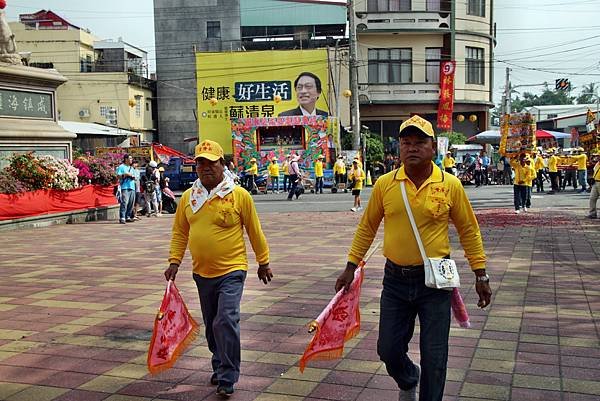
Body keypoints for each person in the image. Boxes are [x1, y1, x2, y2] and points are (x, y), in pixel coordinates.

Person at [335, 115, 491, 401]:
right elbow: (367, 226)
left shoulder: (450, 184)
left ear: (433, 148)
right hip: (395, 281)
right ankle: (408, 378)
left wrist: (480, 273)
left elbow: (469, 229)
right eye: (406, 143)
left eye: (420, 142)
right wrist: (350, 266)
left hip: (435, 283)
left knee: (435, 356)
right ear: (399, 148)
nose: (412, 148)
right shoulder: (385, 184)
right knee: (389, 349)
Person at [164, 139, 273, 398]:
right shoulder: (190, 198)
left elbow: (254, 230)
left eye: (211, 163)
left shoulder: (239, 195)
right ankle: (219, 362)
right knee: (213, 324)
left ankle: (228, 374)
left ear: (222, 164)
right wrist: (174, 262)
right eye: (200, 163)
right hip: (202, 273)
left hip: (232, 270)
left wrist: (263, 261)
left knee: (226, 319)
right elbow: (180, 233)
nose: (205, 168)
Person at [115, 154, 136, 224]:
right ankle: (122, 217)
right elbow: (118, 176)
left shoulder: (132, 168)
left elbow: (134, 177)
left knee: (131, 203)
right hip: (125, 187)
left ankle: (128, 216)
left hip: (132, 187)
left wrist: (132, 176)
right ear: (126, 159)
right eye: (130, 158)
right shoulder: (121, 167)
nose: (131, 160)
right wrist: (125, 175)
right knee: (124, 202)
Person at [587, 152, 600, 218]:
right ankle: (592, 213)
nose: (596, 157)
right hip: (595, 182)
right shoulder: (597, 164)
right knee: (592, 198)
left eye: (598, 156)